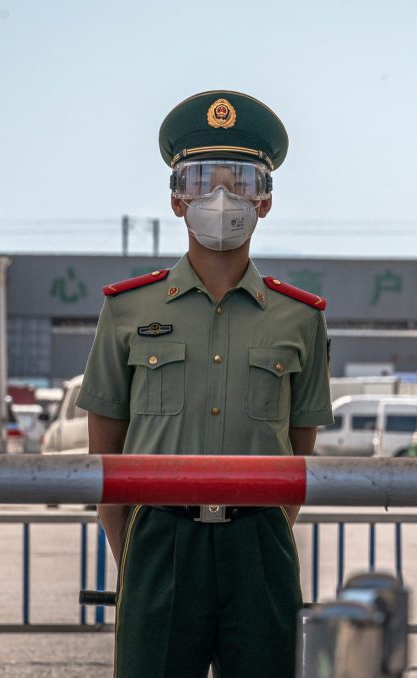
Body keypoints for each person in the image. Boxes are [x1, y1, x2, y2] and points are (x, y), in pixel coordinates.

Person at [77, 90, 333, 678]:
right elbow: (105, 455)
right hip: (160, 536)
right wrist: (136, 552)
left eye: (241, 180)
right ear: (175, 198)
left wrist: (260, 528)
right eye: (200, 180)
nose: (221, 198)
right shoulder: (126, 310)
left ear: (265, 201)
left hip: (259, 538)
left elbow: (301, 448)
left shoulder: (301, 317)